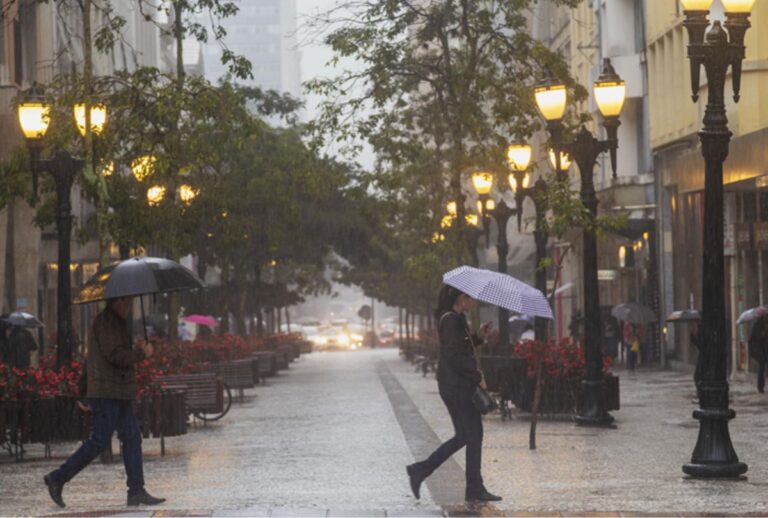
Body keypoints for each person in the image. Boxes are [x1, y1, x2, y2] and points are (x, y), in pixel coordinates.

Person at [43, 296, 165, 508]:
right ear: (117, 302)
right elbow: (115, 355)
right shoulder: (106, 322)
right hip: (107, 392)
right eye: (127, 303)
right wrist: (139, 353)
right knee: (99, 441)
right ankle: (57, 478)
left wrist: (135, 347)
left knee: (132, 438)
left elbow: (109, 354)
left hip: (118, 391)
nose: (129, 307)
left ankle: (136, 490)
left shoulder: (116, 322)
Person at [406, 284, 501, 503]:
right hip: (456, 387)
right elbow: (454, 357)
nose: (473, 302)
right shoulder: (450, 320)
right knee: (471, 435)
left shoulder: (456, 319)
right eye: (470, 297)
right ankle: (468, 486)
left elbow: (461, 347)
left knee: (466, 436)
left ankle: (425, 472)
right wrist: (478, 376)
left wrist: (479, 337)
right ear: (460, 297)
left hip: (457, 385)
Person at [748, 314, 768, 392]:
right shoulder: (757, 325)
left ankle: (761, 386)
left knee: (762, 368)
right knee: (761, 367)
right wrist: (763, 333)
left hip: (765, 349)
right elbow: (754, 338)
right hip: (759, 350)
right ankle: (760, 386)